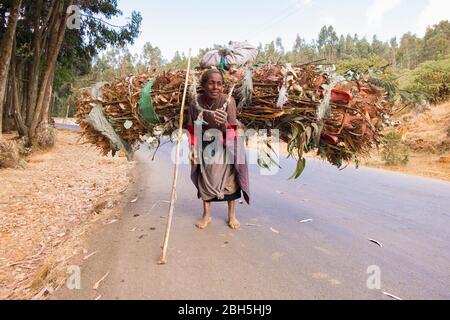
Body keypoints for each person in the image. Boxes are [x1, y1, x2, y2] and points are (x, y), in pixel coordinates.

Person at [186, 69, 250, 230]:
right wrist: (192, 147)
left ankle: (232, 216)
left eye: (219, 84)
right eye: (211, 83)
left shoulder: (228, 101)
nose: (216, 87)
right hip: (205, 146)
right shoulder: (195, 103)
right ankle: (206, 215)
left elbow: (233, 129)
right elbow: (192, 128)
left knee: (230, 181)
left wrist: (224, 124)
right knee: (205, 180)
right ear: (203, 85)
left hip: (226, 145)